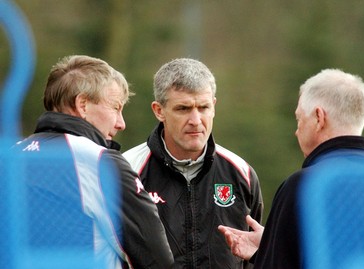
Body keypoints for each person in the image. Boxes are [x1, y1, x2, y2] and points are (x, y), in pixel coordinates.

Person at [12, 55, 174, 269]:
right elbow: (156, 259)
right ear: (83, 105)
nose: (121, 123)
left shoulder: (9, 158)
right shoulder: (100, 163)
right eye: (115, 107)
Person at [218, 69, 364, 268]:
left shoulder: (305, 187)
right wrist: (271, 245)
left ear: (319, 118)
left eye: (299, 119)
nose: (296, 131)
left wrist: (272, 254)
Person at [123, 58, 264, 268]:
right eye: (183, 109)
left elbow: (255, 257)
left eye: (204, 107)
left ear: (214, 107)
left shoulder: (241, 173)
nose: (196, 120)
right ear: (159, 110)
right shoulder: (127, 170)